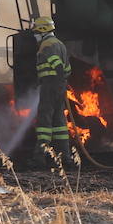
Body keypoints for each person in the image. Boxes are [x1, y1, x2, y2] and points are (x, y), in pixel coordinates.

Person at [31, 16, 73, 167]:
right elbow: (67, 69)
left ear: (42, 30)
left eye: (36, 31)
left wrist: (52, 81)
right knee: (60, 123)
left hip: (50, 85)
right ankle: (65, 158)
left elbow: (58, 66)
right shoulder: (60, 44)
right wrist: (61, 83)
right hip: (59, 86)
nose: (35, 35)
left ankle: (39, 158)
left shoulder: (46, 45)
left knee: (44, 121)